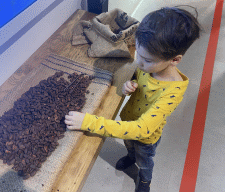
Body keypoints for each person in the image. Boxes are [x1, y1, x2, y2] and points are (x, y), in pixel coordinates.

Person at [65, 5, 202, 192]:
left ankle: (145, 179)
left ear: (175, 60)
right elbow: (138, 79)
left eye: (147, 59)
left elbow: (141, 129)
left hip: (146, 138)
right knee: (130, 147)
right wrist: (128, 86)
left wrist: (88, 122)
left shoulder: (173, 92)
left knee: (144, 161)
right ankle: (130, 157)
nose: (138, 62)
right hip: (128, 122)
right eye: (138, 53)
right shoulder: (148, 67)